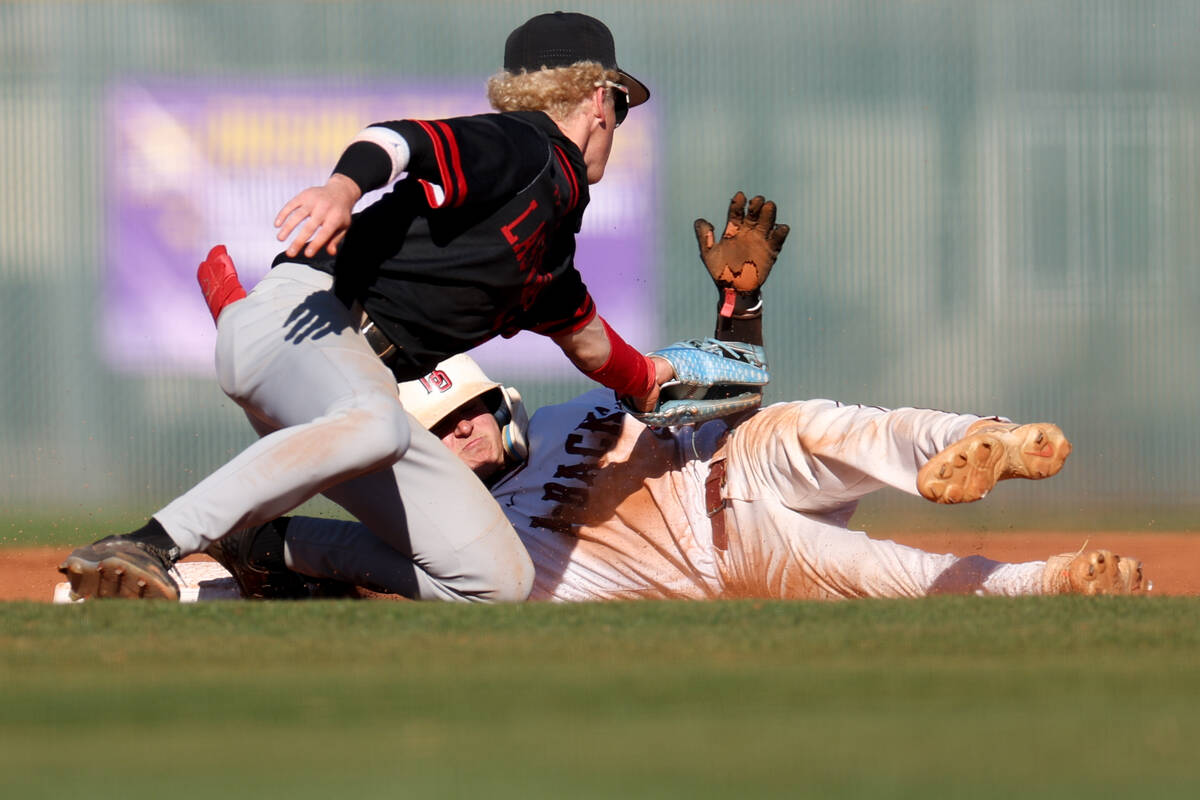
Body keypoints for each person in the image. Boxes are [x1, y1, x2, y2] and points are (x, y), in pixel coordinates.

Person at [198, 195, 1147, 602]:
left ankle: (987, 440)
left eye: (468, 410)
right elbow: (341, 544)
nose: (466, 433)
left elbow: (718, 401)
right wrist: (253, 542)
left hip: (729, 459)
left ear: (499, 398)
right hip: (724, 553)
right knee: (875, 572)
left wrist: (741, 304)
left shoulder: (573, 415)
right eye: (444, 430)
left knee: (826, 422)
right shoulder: (467, 542)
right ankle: (1054, 581)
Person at [59, 11, 674, 602]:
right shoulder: (526, 147)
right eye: (622, 105)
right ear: (599, 98)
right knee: (376, 420)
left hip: (343, 389)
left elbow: (591, 343)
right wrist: (341, 188)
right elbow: (400, 139)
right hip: (308, 321)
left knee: (496, 580)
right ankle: (150, 543)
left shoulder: (548, 247)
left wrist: (655, 381)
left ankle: (266, 546)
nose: (619, 123)